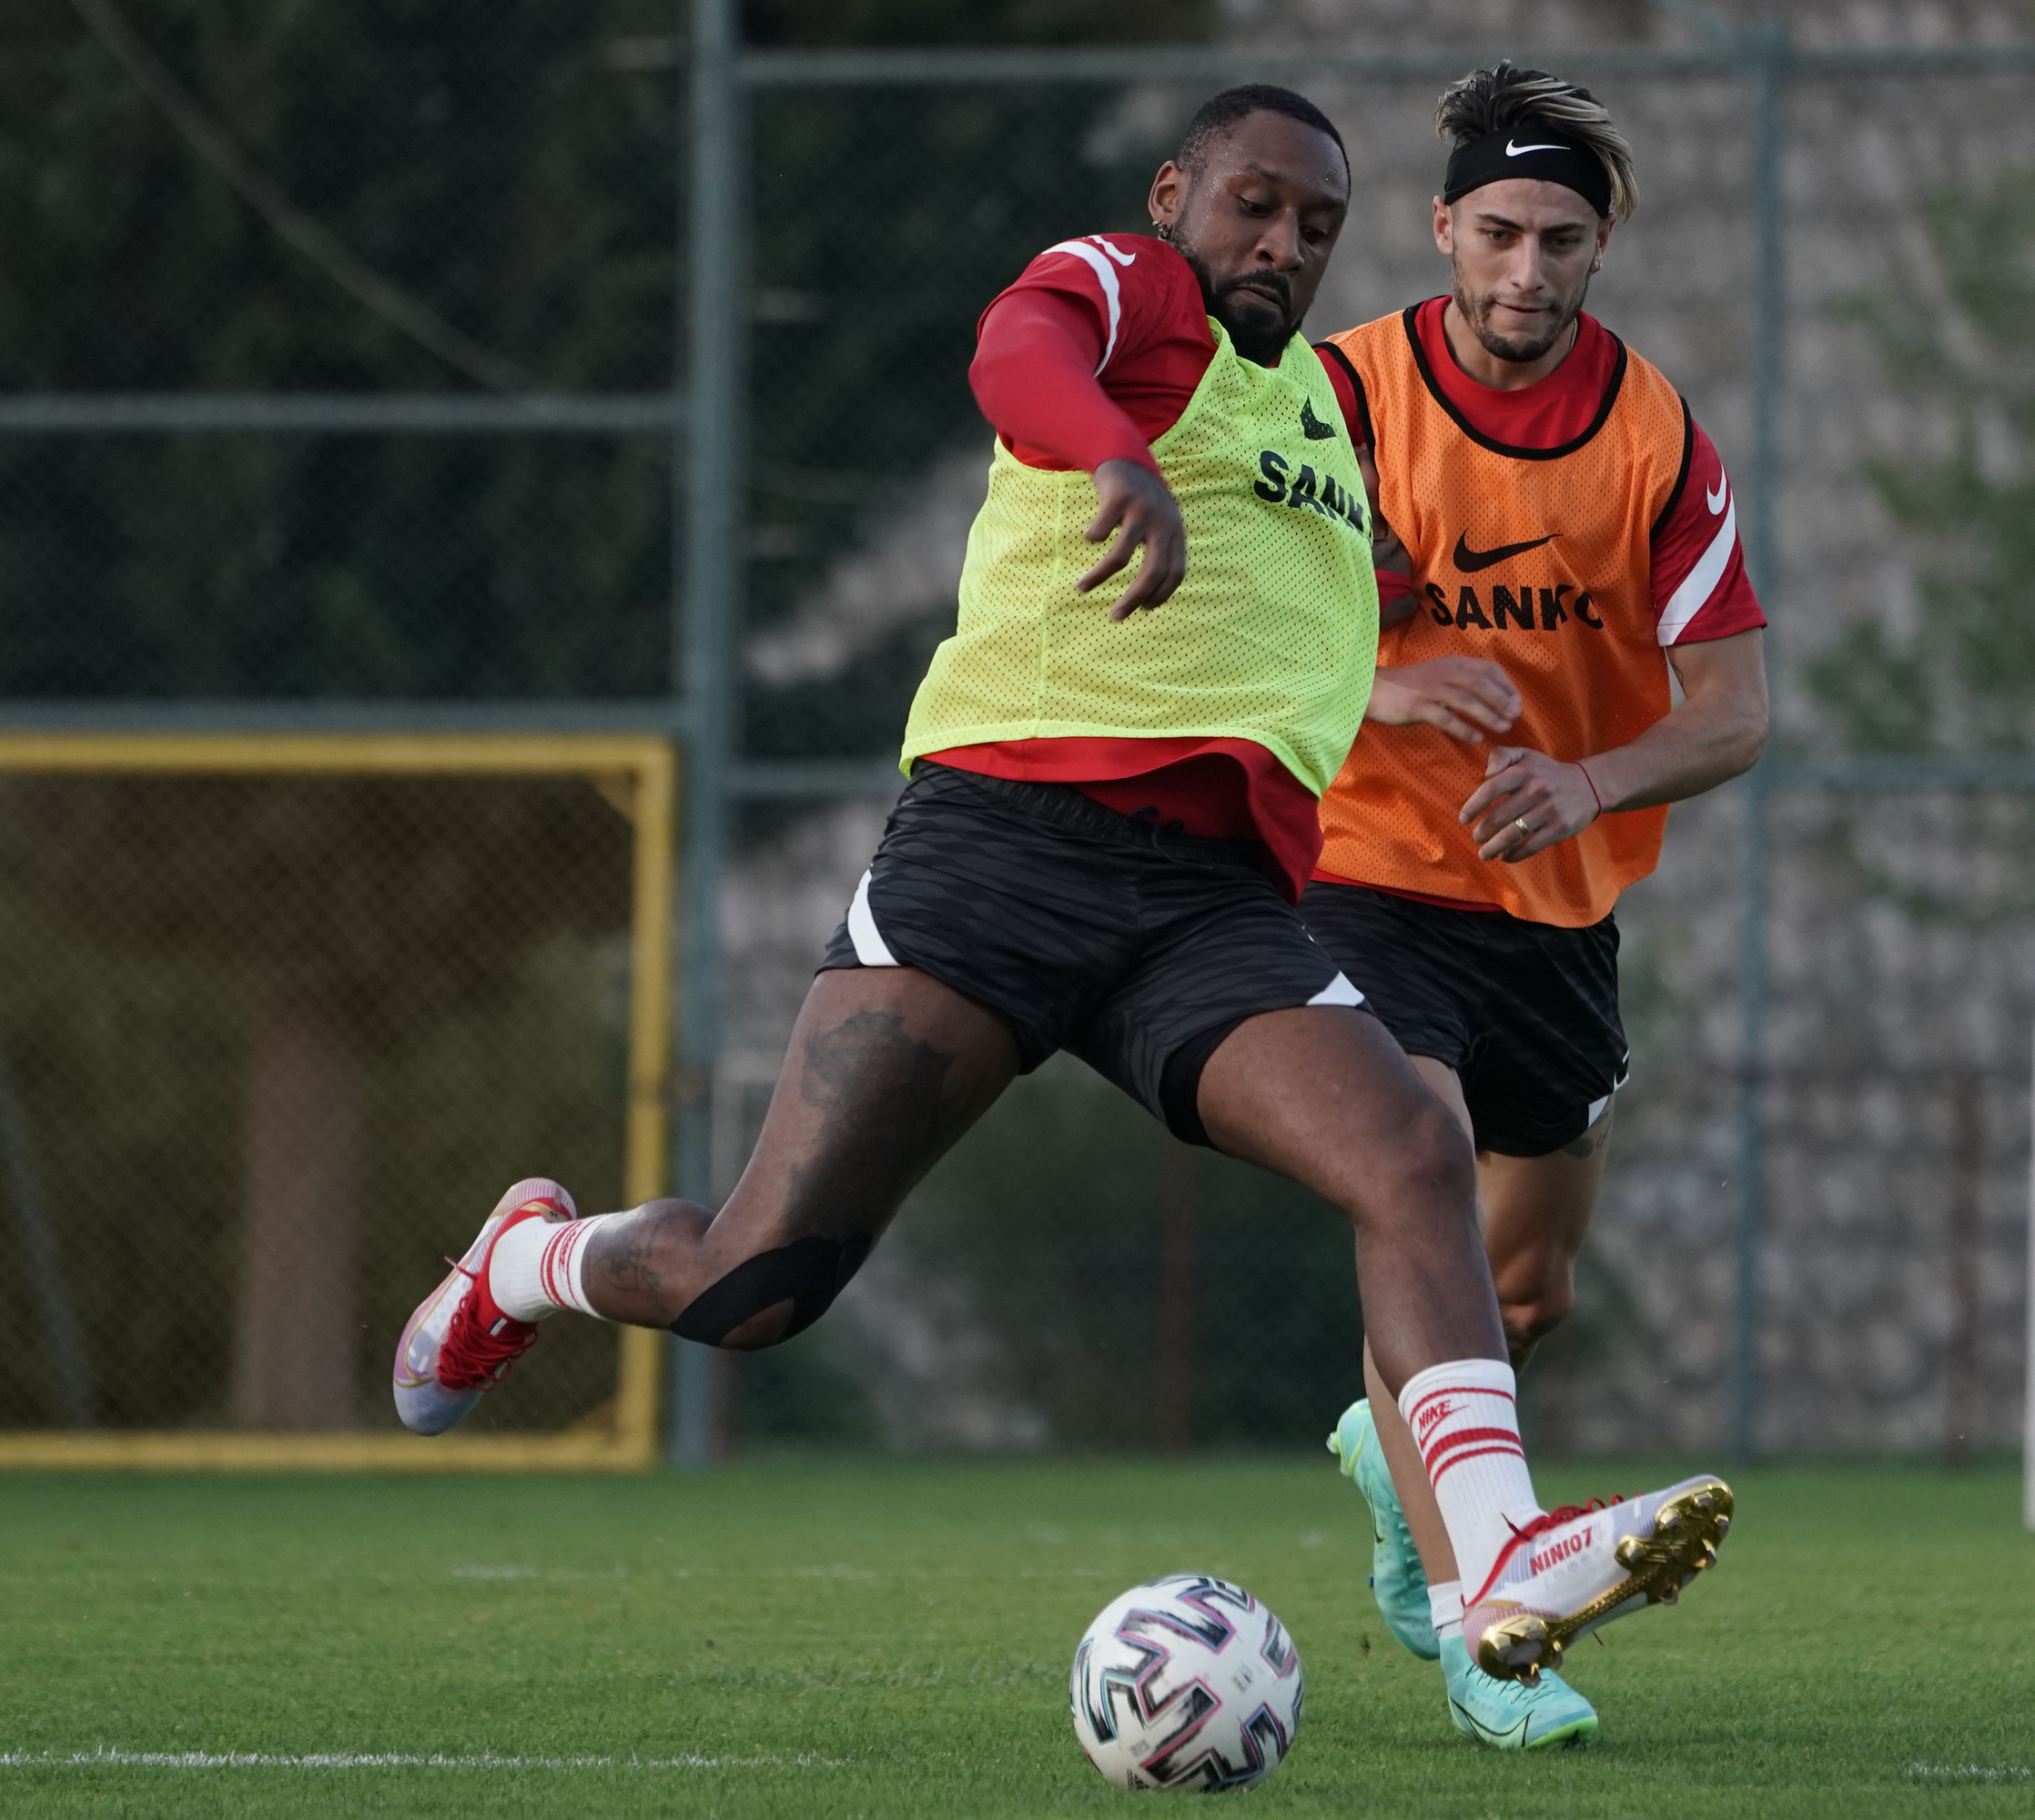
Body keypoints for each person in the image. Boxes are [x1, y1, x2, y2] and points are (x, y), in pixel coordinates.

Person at [390, 84, 1731, 1690]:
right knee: (756, 1286)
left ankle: (1493, 1565)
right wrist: (1114, 457)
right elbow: (1015, 353)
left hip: (1208, 907)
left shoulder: (1315, 414)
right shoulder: (1131, 290)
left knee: (1410, 1149)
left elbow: (1321, 616)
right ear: (1174, 194)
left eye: (1314, 223)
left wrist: (1411, 669)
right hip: (1005, 858)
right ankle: (529, 1260)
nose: (1281, 242)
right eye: (1251, 202)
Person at [1308, 64, 1768, 1748]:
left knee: (1519, 1298)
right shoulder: (1336, 400)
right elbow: (1214, 626)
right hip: (1362, 877)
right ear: (1440, 229)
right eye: (1497, 231)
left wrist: (1587, 782)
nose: (1526, 269)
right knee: (1415, 1188)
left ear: (1600, 247)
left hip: (1557, 913)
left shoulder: (1657, 440)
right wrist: (1378, 687)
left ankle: (1397, 1463)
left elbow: (1735, 713)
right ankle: (1482, 1630)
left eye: (1559, 239)